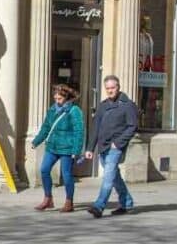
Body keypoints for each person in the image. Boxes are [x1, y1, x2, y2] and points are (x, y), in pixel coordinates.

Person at [84, 75, 138, 218]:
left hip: (116, 147)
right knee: (114, 178)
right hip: (103, 146)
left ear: (118, 87)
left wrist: (119, 142)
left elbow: (132, 127)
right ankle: (127, 202)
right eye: (107, 88)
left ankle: (99, 206)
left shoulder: (128, 105)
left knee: (108, 177)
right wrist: (90, 148)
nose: (110, 91)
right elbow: (95, 127)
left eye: (112, 88)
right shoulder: (103, 105)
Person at [31, 84, 85, 212]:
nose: (57, 101)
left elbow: (79, 131)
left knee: (66, 175)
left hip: (67, 148)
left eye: (59, 99)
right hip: (52, 146)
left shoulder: (74, 110)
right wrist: (36, 142)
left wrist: (76, 150)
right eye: (55, 98)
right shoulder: (52, 110)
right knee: (44, 170)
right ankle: (48, 198)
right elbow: (46, 128)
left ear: (66, 98)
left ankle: (69, 201)